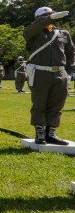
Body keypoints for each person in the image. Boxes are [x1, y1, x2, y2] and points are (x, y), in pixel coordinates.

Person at [24, 7, 74, 144]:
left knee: (57, 104)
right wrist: (48, 19)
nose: (50, 17)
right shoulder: (33, 31)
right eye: (45, 15)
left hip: (60, 72)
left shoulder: (63, 33)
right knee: (39, 103)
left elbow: (70, 53)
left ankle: (51, 133)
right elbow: (29, 32)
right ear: (38, 18)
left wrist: (69, 72)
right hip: (40, 71)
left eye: (51, 15)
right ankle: (40, 133)